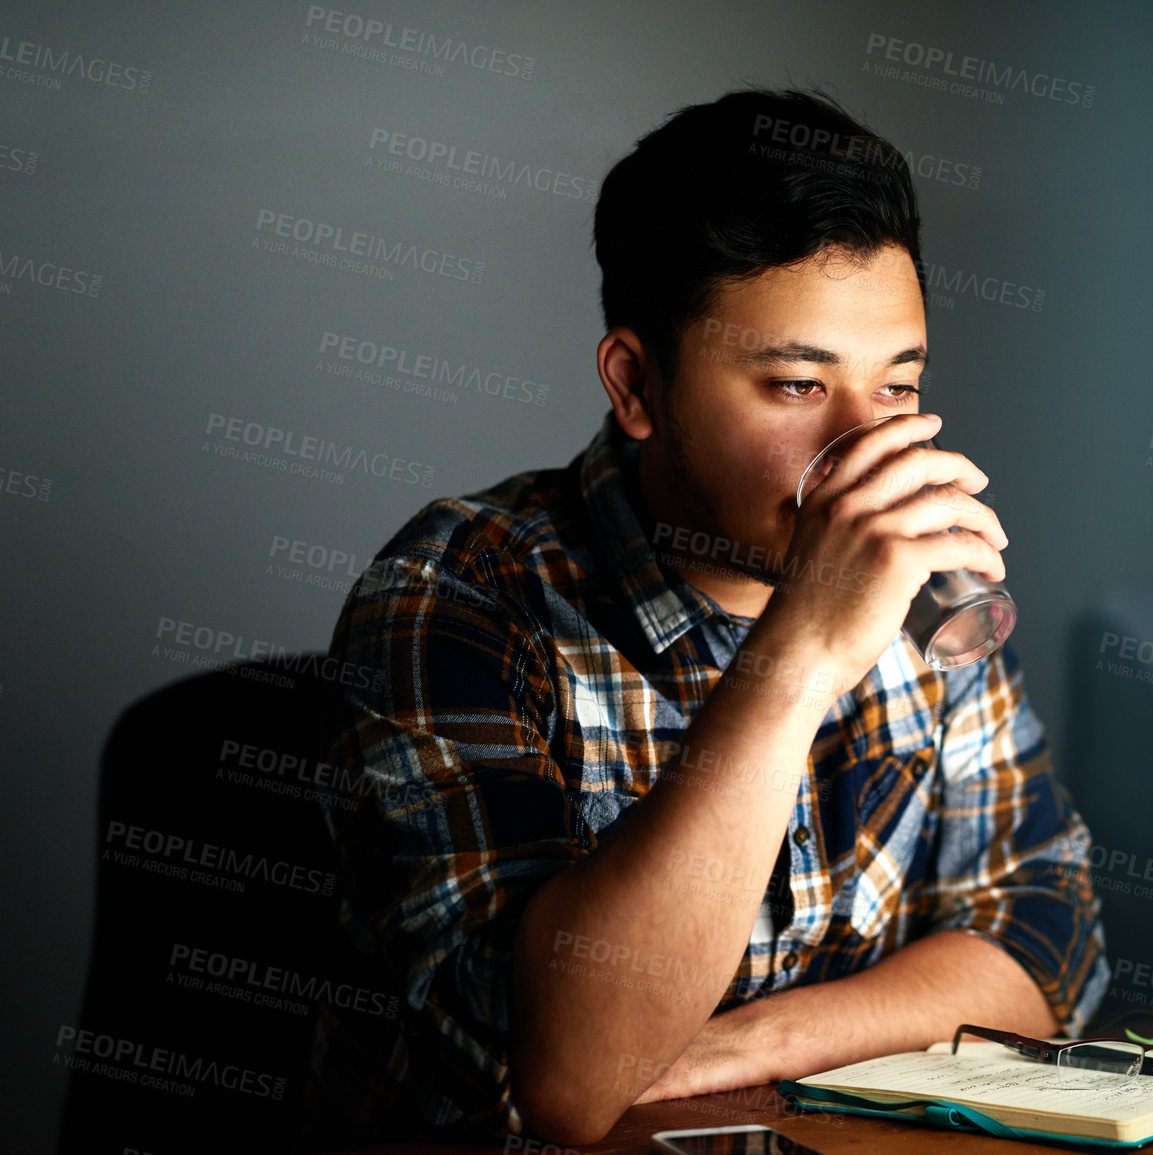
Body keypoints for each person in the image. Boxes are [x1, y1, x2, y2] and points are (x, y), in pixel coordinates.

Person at [296, 86, 1108, 1149]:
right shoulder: (459, 594)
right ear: (638, 386)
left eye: (898, 387)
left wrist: (740, 1046)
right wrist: (801, 656)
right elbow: (564, 1083)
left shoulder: (921, 584)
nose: (869, 452)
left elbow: (1048, 938)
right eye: (796, 387)